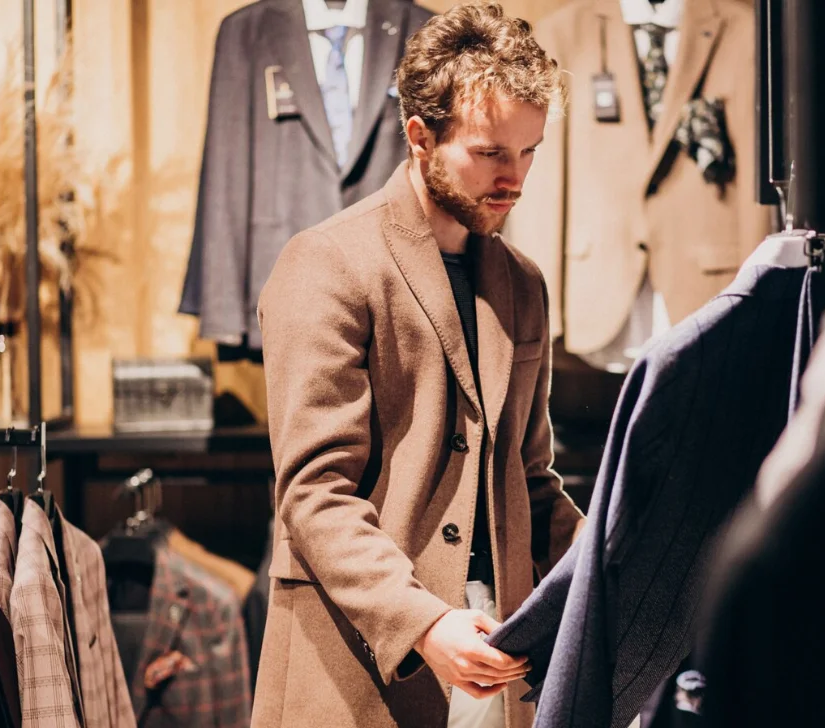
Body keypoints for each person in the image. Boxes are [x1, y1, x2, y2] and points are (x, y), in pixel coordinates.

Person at [250, 4, 586, 728]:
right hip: (360, 666)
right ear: (419, 137)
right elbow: (315, 494)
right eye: (491, 152)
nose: (515, 178)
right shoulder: (327, 264)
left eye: (529, 152)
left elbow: (529, 479)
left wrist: (611, 558)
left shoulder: (521, 283)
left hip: (499, 664)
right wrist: (425, 624)